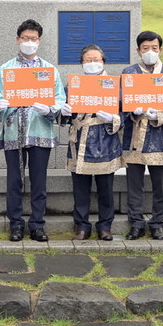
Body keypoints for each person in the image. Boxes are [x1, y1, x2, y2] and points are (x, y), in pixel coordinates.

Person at [0, 19, 67, 242]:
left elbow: (60, 99)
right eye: (25, 38)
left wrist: (50, 108)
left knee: (39, 180)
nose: (29, 42)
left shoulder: (49, 70)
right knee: (14, 180)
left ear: (39, 41)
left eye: (33, 39)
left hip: (40, 132)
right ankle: (15, 224)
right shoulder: (6, 69)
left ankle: (37, 225)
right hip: (13, 131)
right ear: (17, 40)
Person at [60, 45, 123, 241]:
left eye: (96, 59)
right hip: (80, 140)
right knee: (80, 189)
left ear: (104, 61)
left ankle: (105, 226)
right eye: (88, 60)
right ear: (81, 63)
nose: (92, 63)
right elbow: (63, 115)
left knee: (105, 188)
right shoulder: (72, 86)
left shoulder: (115, 86)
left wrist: (113, 118)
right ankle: (82, 226)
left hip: (106, 139)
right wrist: (63, 112)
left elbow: (126, 114)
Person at [121, 30, 163, 241]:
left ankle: (157, 223)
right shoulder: (129, 73)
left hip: (160, 136)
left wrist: (160, 114)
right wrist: (132, 111)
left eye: (154, 48)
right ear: (138, 51)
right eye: (145, 48)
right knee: (134, 183)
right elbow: (122, 103)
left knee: (160, 185)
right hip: (135, 135)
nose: (150, 52)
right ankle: (136, 223)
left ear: (160, 49)